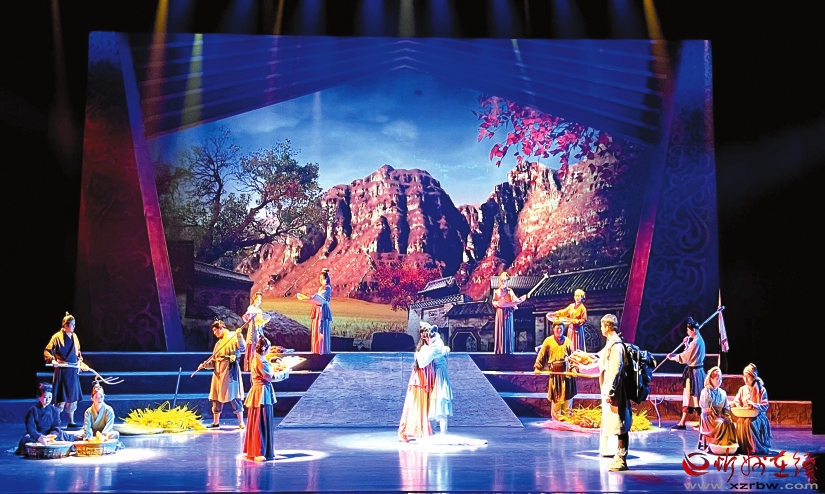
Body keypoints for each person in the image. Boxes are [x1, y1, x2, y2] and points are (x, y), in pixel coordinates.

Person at [592, 314, 632, 472]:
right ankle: (618, 456)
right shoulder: (610, 343)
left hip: (617, 391)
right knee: (616, 423)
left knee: (619, 423)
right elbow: (600, 357)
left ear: (607, 327)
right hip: (612, 389)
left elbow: (616, 370)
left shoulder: (616, 346)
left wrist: (611, 391)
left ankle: (622, 459)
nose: (601, 328)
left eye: (602, 325)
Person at [244, 337, 288, 461]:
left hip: (259, 391)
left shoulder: (257, 358)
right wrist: (285, 373)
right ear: (264, 348)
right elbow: (269, 377)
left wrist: (276, 368)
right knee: (261, 421)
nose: (269, 350)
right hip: (261, 392)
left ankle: (257, 450)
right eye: (268, 347)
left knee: (258, 420)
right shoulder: (261, 360)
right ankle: (259, 451)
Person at [197, 320, 246, 429]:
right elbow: (214, 361)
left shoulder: (233, 336)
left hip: (229, 369)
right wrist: (205, 365)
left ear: (221, 328)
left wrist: (239, 336)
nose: (214, 333)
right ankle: (216, 422)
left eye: (215, 330)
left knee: (233, 395)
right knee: (215, 397)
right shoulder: (218, 344)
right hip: (218, 372)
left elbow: (242, 347)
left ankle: (241, 422)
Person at [44, 312, 88, 428]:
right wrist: (52, 360)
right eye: (72, 324)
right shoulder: (56, 337)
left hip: (72, 371)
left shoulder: (75, 337)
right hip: (62, 371)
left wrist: (79, 362)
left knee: (72, 396)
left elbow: (78, 353)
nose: (74, 327)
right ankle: (57, 421)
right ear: (65, 325)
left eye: (74, 324)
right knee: (61, 396)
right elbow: (47, 351)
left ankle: (71, 421)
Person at [666, 316, 706, 430]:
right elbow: (691, 354)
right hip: (695, 372)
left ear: (693, 330)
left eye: (688, 330)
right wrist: (686, 345)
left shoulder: (696, 342)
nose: (687, 332)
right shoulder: (697, 341)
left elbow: (686, 357)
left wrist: (673, 357)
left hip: (695, 373)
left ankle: (695, 422)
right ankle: (684, 422)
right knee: (689, 397)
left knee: (695, 397)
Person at [398, 325, 436, 442]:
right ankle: (418, 430)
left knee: (422, 404)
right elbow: (423, 363)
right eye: (429, 335)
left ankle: (421, 429)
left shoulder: (427, 348)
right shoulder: (424, 349)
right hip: (420, 379)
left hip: (424, 377)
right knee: (418, 404)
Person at [533, 319, 578, 420]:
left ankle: (567, 420)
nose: (559, 330)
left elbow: (573, 357)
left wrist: (574, 369)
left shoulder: (568, 341)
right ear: (553, 329)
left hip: (567, 374)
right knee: (556, 399)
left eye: (561, 329)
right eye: (557, 328)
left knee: (567, 398)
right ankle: (556, 421)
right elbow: (541, 355)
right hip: (555, 374)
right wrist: (537, 367)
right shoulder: (548, 341)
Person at [416, 322, 454, 434]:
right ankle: (431, 431)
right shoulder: (433, 344)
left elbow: (423, 363)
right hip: (433, 374)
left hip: (439, 375)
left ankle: (443, 433)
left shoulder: (436, 346)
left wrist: (418, 354)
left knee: (440, 400)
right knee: (432, 402)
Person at [14, 383, 71, 455]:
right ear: (39, 397)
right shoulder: (33, 410)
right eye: (45, 397)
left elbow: (56, 426)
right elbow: (31, 429)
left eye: (50, 397)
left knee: (63, 434)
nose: (47, 400)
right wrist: (39, 437)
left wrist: (52, 435)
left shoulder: (54, 410)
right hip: (37, 435)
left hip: (49, 435)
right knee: (26, 438)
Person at [730, 363, 772, 455]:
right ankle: (743, 448)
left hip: (758, 416)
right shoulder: (742, 389)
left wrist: (754, 405)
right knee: (740, 421)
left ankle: (754, 447)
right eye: (744, 377)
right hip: (745, 414)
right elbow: (737, 401)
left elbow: (765, 406)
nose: (745, 379)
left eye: (748, 377)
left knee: (749, 422)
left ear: (753, 377)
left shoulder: (761, 389)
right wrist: (735, 404)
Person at [698, 366, 737, 452]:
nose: (719, 381)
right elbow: (704, 407)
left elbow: (726, 406)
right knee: (722, 424)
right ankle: (717, 444)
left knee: (729, 422)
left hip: (720, 415)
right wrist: (714, 413)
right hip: (709, 418)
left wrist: (726, 414)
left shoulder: (722, 392)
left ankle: (728, 444)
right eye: (717, 379)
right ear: (711, 379)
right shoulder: (706, 391)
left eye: (720, 379)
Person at [297, 267, 333, 355]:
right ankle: (316, 349)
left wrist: (311, 298)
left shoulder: (328, 288)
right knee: (316, 329)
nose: (321, 280)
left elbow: (322, 298)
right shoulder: (321, 288)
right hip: (317, 309)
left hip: (323, 310)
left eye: (322, 279)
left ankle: (322, 350)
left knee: (322, 329)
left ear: (326, 279)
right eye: (320, 279)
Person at [79, 383, 123, 448]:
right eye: (96, 397)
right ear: (92, 398)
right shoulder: (88, 411)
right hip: (92, 434)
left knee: (115, 434)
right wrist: (88, 436)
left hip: (105, 435)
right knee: (77, 435)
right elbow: (87, 426)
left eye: (101, 396)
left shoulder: (109, 410)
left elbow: (109, 425)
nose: (99, 399)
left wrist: (103, 435)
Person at [492, 271, 526, 354]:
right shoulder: (496, 291)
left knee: (508, 330)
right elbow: (493, 301)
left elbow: (514, 300)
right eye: (502, 280)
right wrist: (497, 303)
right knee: (500, 329)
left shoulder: (510, 291)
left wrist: (518, 301)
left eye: (505, 281)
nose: (503, 282)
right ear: (500, 281)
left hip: (508, 312)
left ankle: (508, 349)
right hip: (500, 312)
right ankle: (500, 349)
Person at [242, 292, 271, 372]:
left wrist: (262, 322)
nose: (258, 301)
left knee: (259, 345)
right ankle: (250, 366)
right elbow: (246, 318)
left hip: (258, 330)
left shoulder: (259, 310)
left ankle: (258, 366)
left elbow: (261, 320)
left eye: (260, 300)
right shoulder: (251, 308)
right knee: (252, 346)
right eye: (257, 299)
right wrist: (251, 317)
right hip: (253, 330)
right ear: (254, 299)